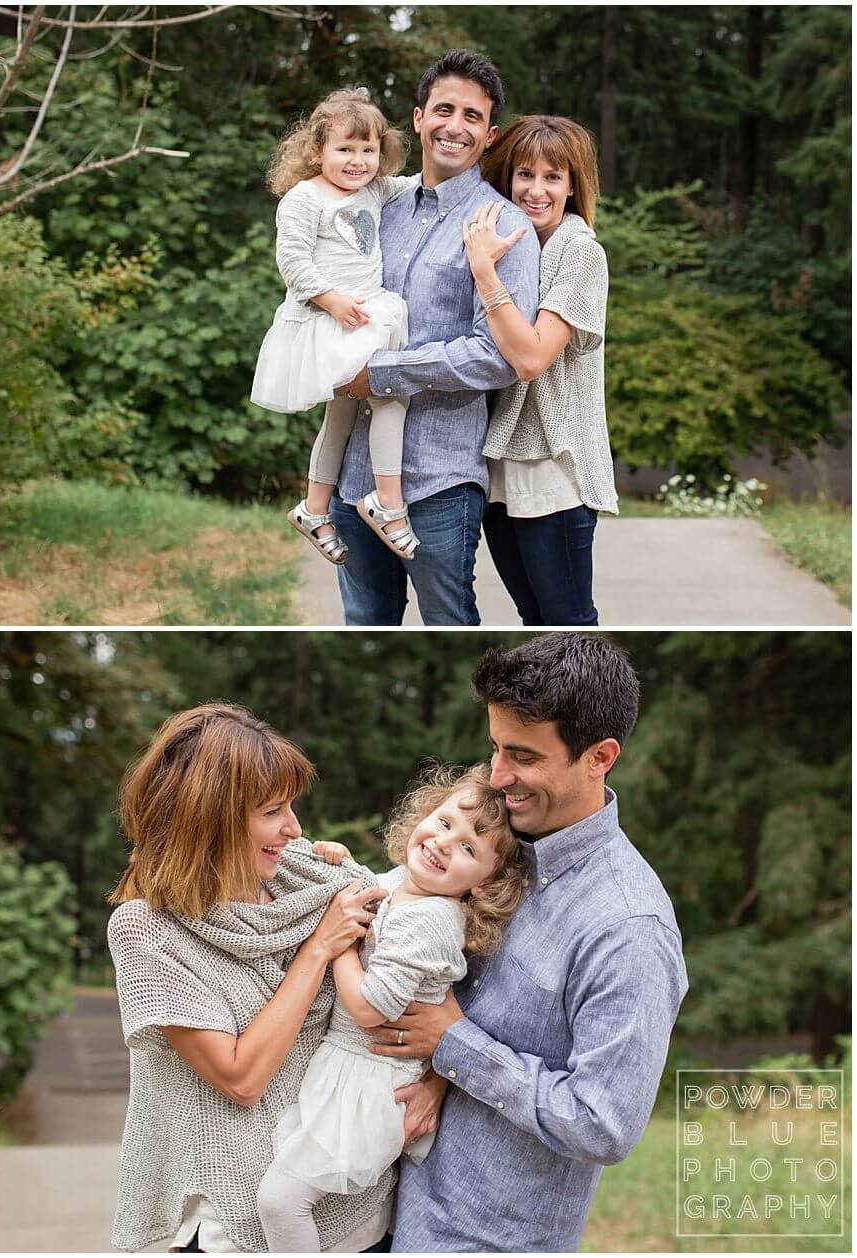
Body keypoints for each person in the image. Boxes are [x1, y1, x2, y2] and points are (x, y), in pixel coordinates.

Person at [365, 633, 688, 1251]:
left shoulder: (626, 929)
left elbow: (604, 1124)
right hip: (390, 1214)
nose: (496, 775)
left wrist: (455, 1045)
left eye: (523, 756)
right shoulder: (492, 854)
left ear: (600, 757)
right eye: (495, 747)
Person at [106, 703, 392, 1253]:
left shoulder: (303, 877)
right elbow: (241, 1078)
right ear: (208, 818)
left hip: (355, 1203)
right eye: (272, 811)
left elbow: (402, 965)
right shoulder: (147, 931)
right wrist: (318, 951)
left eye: (291, 807)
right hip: (230, 1222)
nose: (294, 828)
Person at [258, 764, 528, 1251]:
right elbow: (361, 886)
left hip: (372, 1084)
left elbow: (369, 1008)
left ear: (484, 884)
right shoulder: (406, 881)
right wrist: (337, 860)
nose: (446, 842)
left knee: (281, 1200)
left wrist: (336, 944)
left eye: (469, 848)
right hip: (346, 1066)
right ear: (426, 814)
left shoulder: (433, 922)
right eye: (445, 823)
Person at [325, 49, 542, 625]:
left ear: (490, 135)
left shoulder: (505, 227)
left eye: (472, 117)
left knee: (450, 629)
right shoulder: (375, 205)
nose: (456, 126)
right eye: (444, 110)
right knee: (362, 628)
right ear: (418, 118)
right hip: (353, 476)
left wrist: (384, 373)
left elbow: (497, 355)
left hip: (439, 480)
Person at [252, 88, 422, 564]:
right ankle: (387, 505)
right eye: (345, 149)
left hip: (365, 316)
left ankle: (313, 508)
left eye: (368, 150)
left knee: (343, 416)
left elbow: (415, 184)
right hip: (329, 322)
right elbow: (293, 262)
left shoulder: (373, 190)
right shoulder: (304, 200)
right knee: (390, 397)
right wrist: (332, 300)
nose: (357, 161)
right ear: (317, 151)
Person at [466, 115, 615, 625]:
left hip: (555, 465)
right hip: (499, 463)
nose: (536, 190)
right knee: (533, 615)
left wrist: (484, 272)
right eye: (525, 174)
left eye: (553, 177)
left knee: (568, 621)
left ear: (573, 185)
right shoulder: (508, 238)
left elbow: (531, 358)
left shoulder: (580, 254)